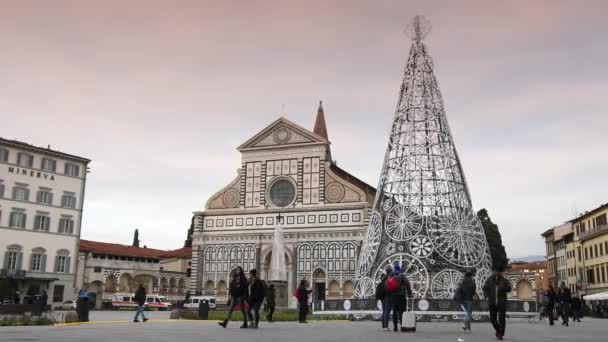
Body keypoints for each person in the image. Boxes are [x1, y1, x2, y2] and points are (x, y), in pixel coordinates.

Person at [483, 267, 512, 341]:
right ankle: (498, 330)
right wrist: (486, 296)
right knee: (492, 319)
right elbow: (485, 288)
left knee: (502, 319)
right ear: (494, 271)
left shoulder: (504, 280)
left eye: (499, 271)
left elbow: (509, 289)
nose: (497, 272)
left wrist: (504, 287)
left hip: (501, 302)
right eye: (496, 271)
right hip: (492, 302)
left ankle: (500, 334)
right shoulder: (489, 280)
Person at [392, 266, 412, 332]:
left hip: (393, 296)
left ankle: (395, 327)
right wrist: (409, 294)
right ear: (399, 270)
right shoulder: (402, 276)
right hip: (401, 295)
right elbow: (407, 284)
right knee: (401, 311)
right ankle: (402, 327)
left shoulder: (391, 275)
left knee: (394, 312)